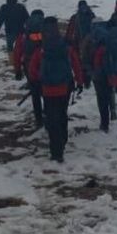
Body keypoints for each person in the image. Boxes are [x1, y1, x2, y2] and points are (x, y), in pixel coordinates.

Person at [28, 17, 84, 162]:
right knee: (62, 114)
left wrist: (36, 81)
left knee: (52, 119)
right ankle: (63, 140)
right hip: (64, 88)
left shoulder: (42, 49)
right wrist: (79, 81)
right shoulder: (65, 47)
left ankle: (56, 152)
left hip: (47, 89)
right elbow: (76, 64)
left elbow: (32, 69)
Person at [81, 21, 117, 129]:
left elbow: (84, 57)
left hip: (97, 74)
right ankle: (113, 110)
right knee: (110, 91)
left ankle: (104, 123)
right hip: (110, 72)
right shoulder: (110, 35)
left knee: (100, 97)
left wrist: (88, 72)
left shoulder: (89, 38)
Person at [13, 9, 45, 126]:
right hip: (45, 65)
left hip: (29, 66)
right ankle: (49, 113)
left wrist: (17, 70)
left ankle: (39, 118)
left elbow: (17, 52)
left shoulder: (24, 34)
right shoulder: (46, 31)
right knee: (45, 90)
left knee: (35, 92)